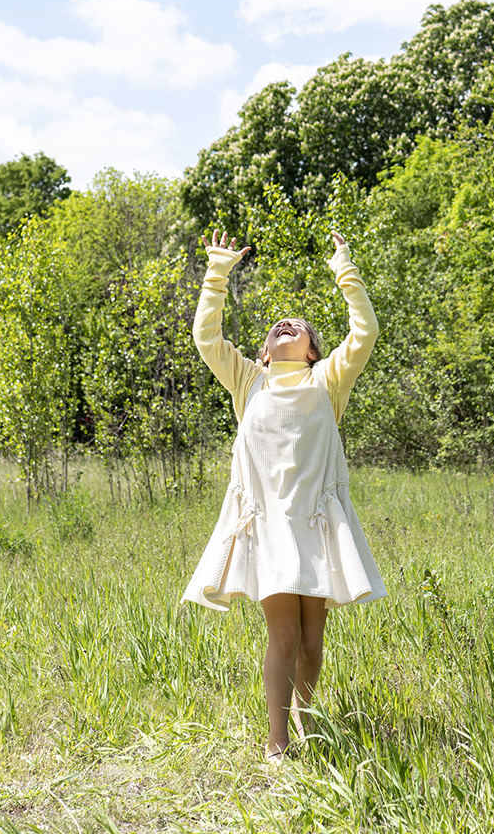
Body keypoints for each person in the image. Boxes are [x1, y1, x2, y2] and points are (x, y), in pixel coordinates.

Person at [182, 228, 386, 762]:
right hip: (269, 527)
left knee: (312, 643)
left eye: (297, 327)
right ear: (265, 354)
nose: (284, 325)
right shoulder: (249, 381)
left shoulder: (327, 380)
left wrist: (346, 269)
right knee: (284, 637)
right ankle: (277, 744)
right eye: (276, 329)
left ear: (314, 350)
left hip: (315, 525)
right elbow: (207, 338)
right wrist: (217, 274)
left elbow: (364, 333)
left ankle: (308, 724)